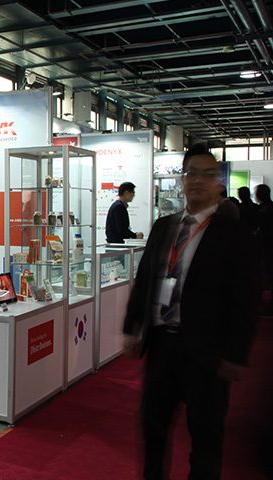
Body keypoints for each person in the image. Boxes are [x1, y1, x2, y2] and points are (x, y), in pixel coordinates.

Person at [123, 145, 257, 480]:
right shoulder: (163, 226)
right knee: (152, 428)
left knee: (206, 438)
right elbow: (145, 278)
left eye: (206, 175)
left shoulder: (233, 234)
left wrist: (235, 354)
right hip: (161, 345)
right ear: (182, 180)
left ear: (217, 183)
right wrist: (132, 325)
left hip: (207, 352)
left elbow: (246, 298)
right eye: (191, 173)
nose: (197, 180)